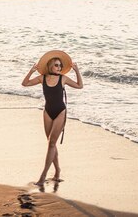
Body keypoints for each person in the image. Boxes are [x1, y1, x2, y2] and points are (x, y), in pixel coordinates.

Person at [21, 50, 83, 186]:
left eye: (60, 65)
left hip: (60, 111)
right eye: (56, 65)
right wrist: (31, 71)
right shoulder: (42, 78)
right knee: (51, 143)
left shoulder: (63, 79)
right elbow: (24, 83)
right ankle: (57, 170)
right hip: (47, 112)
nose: (59, 68)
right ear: (50, 66)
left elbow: (79, 86)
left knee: (51, 143)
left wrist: (77, 71)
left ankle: (43, 177)